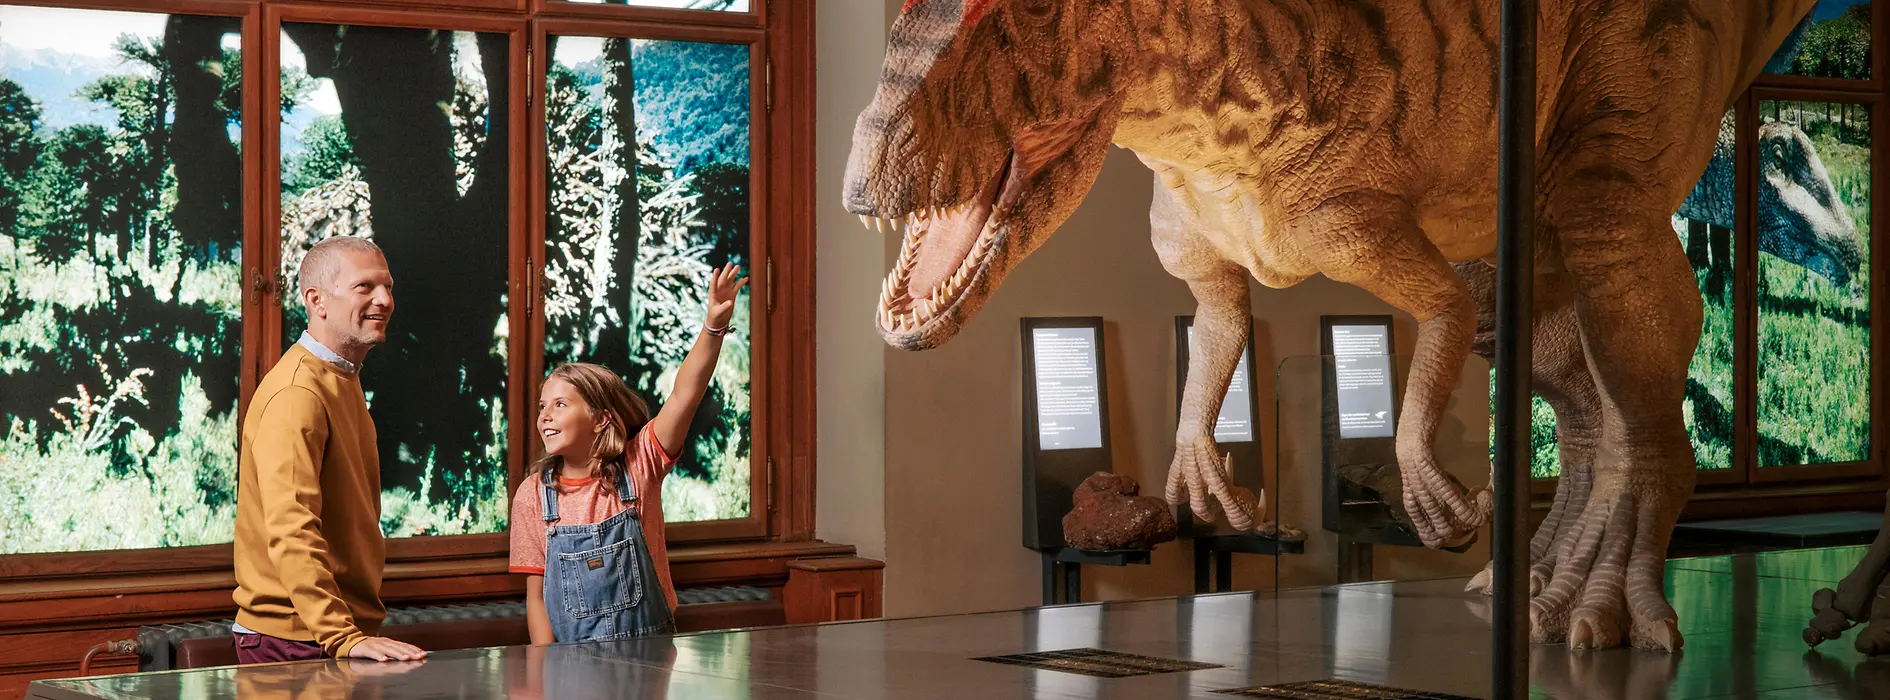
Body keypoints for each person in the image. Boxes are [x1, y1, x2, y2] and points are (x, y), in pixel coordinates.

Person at [509, 263, 748, 644]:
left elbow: (684, 394)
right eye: (542, 406)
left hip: (648, 663)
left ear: (601, 418)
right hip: (570, 672)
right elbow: (536, 601)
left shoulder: (641, 465)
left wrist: (713, 328)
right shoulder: (532, 496)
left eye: (560, 405)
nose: (545, 417)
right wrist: (544, 675)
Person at [231, 236, 426, 663]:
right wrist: (342, 637)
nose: (385, 299)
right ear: (316, 300)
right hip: (296, 639)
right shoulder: (298, 391)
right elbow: (292, 528)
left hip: (323, 633)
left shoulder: (340, 377)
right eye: (365, 287)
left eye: (388, 287)